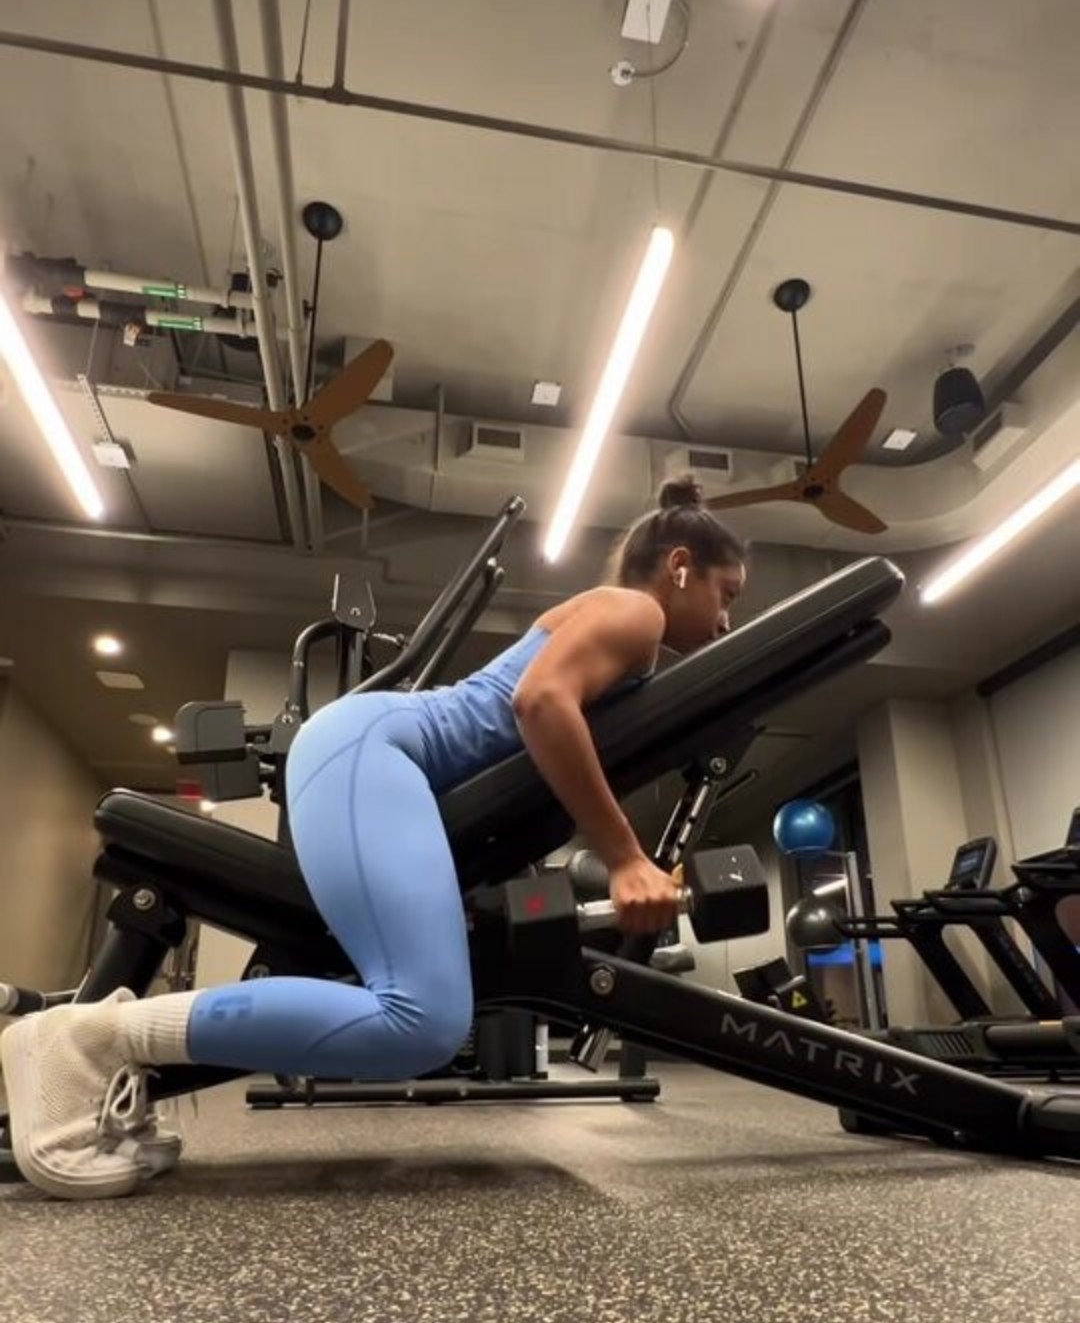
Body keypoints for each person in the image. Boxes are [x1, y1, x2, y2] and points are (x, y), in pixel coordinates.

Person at [1, 479, 747, 1200]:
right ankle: (83, 1040)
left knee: (422, 1013)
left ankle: (103, 1064)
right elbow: (541, 701)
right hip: (373, 753)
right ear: (680, 567)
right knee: (423, 1020)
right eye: (727, 595)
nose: (725, 623)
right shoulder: (636, 614)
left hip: (368, 755)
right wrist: (625, 858)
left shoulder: (623, 629)